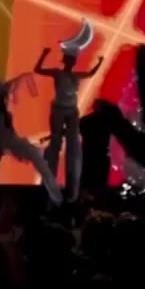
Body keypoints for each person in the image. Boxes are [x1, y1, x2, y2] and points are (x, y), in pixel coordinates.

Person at [35, 45, 102, 197]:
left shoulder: (75, 75)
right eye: (70, 60)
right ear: (66, 61)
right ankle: (49, 182)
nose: (71, 63)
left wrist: (99, 62)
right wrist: (44, 54)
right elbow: (38, 69)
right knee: (55, 144)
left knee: (72, 144)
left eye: (72, 60)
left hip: (71, 111)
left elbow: (91, 73)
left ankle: (71, 185)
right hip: (59, 110)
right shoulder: (58, 73)